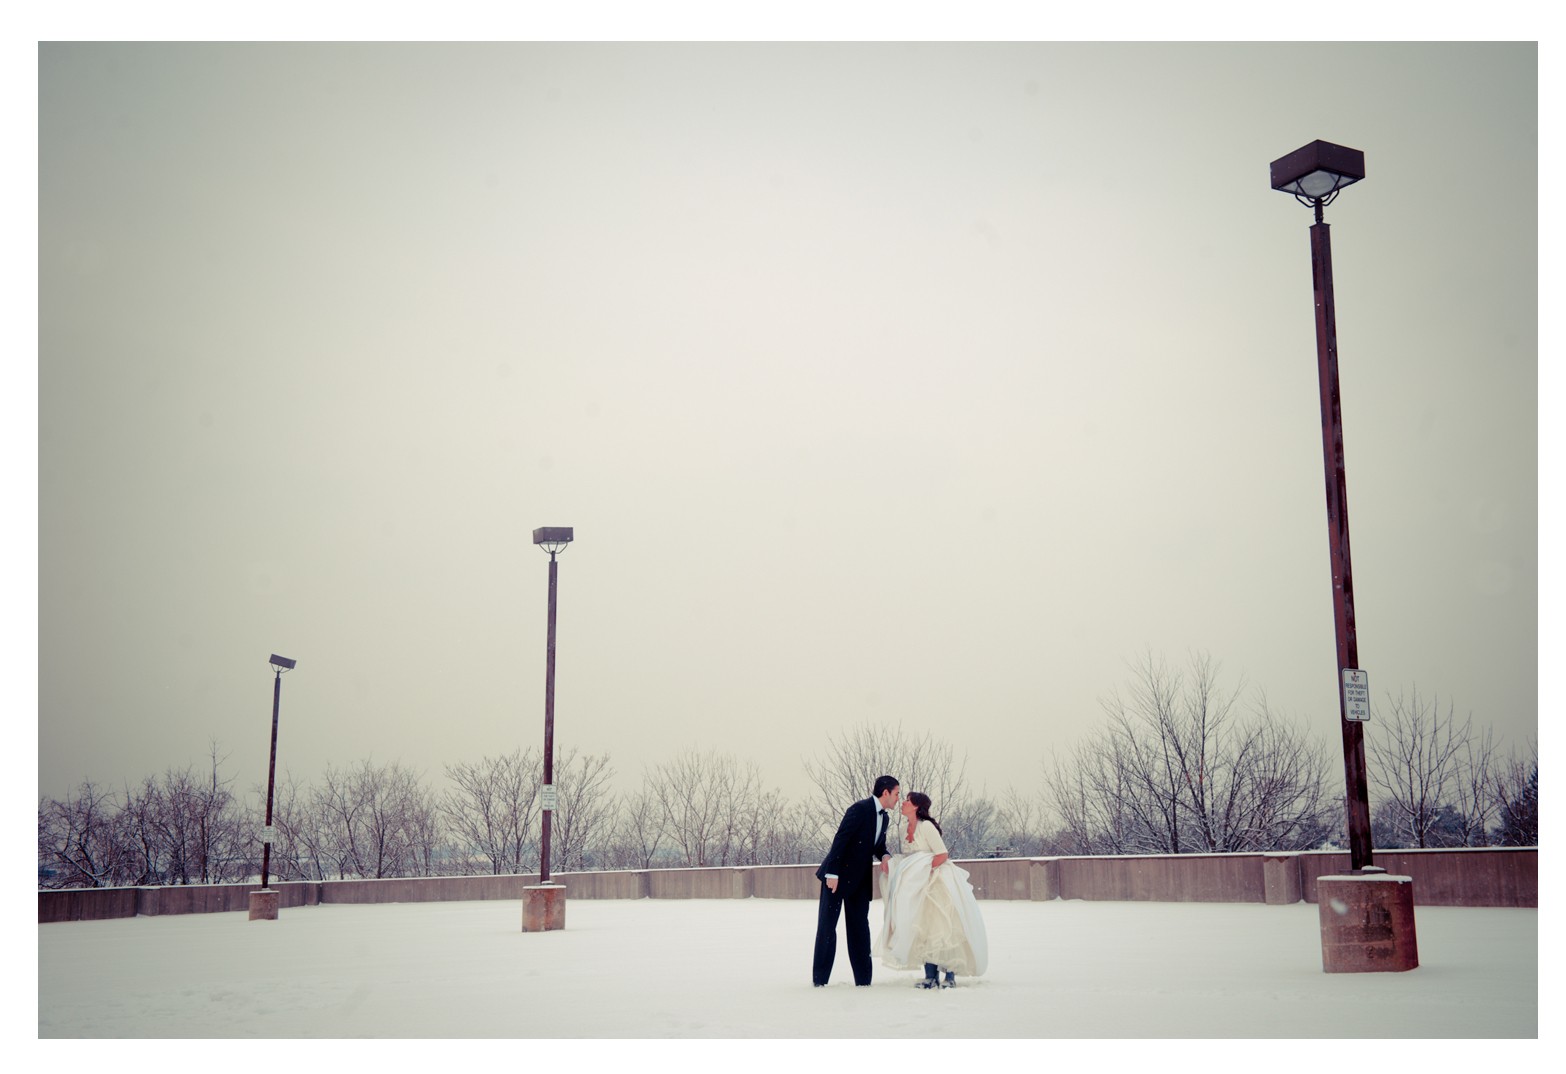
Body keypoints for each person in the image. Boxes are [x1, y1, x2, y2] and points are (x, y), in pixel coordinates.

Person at [875, 790, 987, 988]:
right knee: (922, 927)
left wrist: (924, 873)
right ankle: (930, 976)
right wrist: (892, 865)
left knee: (942, 925)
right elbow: (911, 858)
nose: (903, 803)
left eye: (907, 801)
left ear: (917, 806)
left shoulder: (926, 826)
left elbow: (941, 854)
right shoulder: (904, 829)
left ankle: (949, 976)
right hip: (917, 885)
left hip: (935, 882)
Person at [813, 775, 900, 987]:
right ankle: (820, 981)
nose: (898, 798)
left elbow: (877, 845)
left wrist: (885, 855)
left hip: (860, 881)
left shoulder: (885, 818)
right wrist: (832, 873)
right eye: (897, 793)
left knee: (860, 929)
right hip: (837, 878)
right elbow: (841, 838)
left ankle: (863, 981)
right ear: (885, 792)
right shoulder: (859, 809)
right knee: (827, 928)